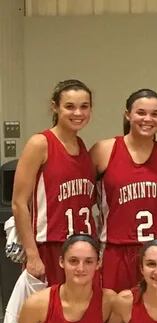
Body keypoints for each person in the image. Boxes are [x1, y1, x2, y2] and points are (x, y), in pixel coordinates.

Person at [11, 80, 96, 284]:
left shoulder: (82, 145)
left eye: (84, 106)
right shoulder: (40, 143)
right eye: (70, 106)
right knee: (49, 305)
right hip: (49, 245)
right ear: (55, 107)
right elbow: (19, 203)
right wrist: (32, 254)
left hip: (82, 247)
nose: (78, 113)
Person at [91, 88, 157, 294]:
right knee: (113, 308)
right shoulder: (104, 150)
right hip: (116, 249)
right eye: (141, 113)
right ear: (128, 114)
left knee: (155, 310)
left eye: (155, 114)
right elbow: (82, 196)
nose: (148, 119)